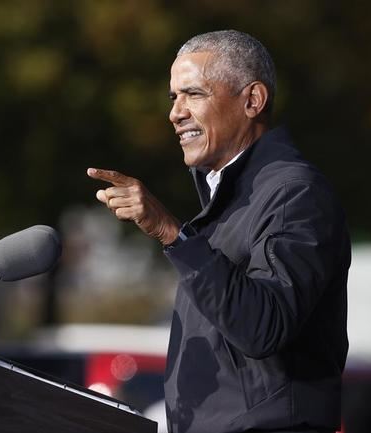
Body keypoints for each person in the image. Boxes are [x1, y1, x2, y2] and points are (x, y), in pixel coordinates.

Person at [88, 29, 350, 433]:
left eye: (193, 94)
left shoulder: (295, 194)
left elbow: (264, 327)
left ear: (252, 100)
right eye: (173, 97)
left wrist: (174, 235)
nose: (175, 113)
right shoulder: (231, 199)